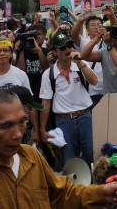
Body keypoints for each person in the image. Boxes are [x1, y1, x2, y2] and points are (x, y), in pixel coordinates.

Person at [0, 89, 117, 208]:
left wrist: (101, 193)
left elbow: (62, 195)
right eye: (6, 126)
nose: (18, 134)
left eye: (23, 122)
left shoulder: (32, 156)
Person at [40, 33, 97, 165]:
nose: (68, 50)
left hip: (85, 117)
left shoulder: (80, 65)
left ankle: (92, 184)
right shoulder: (49, 74)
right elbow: (46, 102)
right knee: (70, 159)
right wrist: (42, 129)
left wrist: (80, 62)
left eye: (70, 46)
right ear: (54, 52)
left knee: (90, 155)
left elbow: (94, 81)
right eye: (63, 48)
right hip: (64, 121)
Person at [79, 22, 117, 94]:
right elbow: (83, 56)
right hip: (108, 98)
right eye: (115, 34)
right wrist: (96, 38)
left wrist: (109, 45)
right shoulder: (104, 52)